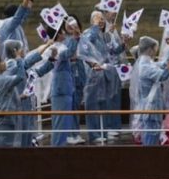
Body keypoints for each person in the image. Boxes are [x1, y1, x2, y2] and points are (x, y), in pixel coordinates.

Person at [78, 10, 129, 144]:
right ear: (92, 20)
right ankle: (94, 134)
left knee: (104, 104)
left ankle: (104, 131)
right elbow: (85, 48)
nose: (101, 21)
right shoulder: (89, 33)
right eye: (97, 19)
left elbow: (111, 51)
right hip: (93, 74)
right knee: (93, 105)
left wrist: (123, 45)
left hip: (105, 73)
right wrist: (95, 27)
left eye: (102, 19)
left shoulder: (103, 35)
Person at [131, 36, 169, 145]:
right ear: (150, 49)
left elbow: (163, 64)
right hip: (150, 109)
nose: (155, 51)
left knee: (152, 137)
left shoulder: (147, 63)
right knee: (150, 140)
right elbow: (164, 75)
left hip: (151, 108)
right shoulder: (145, 66)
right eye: (155, 48)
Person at [46, 16, 83, 146]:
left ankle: (60, 146)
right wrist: (75, 37)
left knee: (64, 121)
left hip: (65, 88)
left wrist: (75, 38)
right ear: (58, 34)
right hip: (61, 89)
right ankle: (57, 147)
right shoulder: (56, 48)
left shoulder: (60, 46)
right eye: (62, 31)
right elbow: (68, 53)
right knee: (60, 122)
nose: (64, 33)